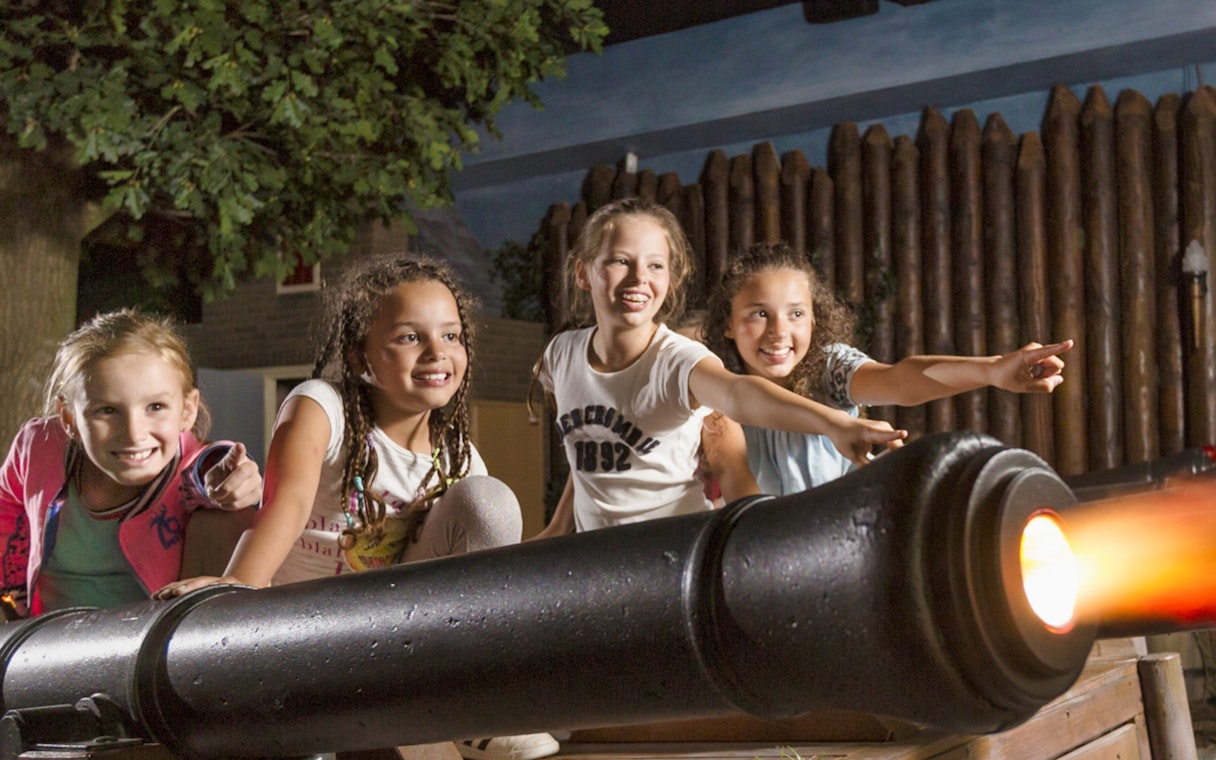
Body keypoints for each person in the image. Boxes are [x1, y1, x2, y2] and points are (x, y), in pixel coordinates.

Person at [161, 253, 559, 760]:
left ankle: (476, 697)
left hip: (397, 638)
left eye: (452, 335)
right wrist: (236, 589)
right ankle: (434, 710)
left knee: (489, 501)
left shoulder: (460, 458)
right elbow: (291, 498)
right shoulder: (320, 406)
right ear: (357, 356)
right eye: (410, 337)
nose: (438, 352)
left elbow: (484, 579)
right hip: (307, 631)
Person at [531, 198, 906, 537]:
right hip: (595, 560)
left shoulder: (679, 361)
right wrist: (555, 530)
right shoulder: (559, 357)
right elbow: (589, 450)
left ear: (671, 279)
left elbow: (737, 394)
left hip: (670, 555)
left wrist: (835, 422)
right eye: (620, 261)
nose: (639, 277)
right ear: (583, 272)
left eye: (655, 265)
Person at [701, 241, 1073, 495]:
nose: (779, 331)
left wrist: (991, 370)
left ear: (814, 321)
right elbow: (736, 487)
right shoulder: (710, 388)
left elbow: (901, 380)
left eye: (796, 314)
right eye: (759, 314)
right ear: (727, 323)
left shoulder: (829, 368)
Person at [0, 308, 262, 617]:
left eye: (155, 406)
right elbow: (7, 504)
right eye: (108, 411)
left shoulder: (193, 471)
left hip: (146, 654)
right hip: (49, 650)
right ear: (69, 417)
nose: (134, 434)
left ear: (187, 410)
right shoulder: (39, 445)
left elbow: (207, 470)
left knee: (225, 519)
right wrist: (12, 595)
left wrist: (234, 479)